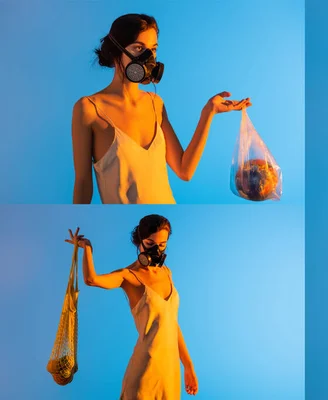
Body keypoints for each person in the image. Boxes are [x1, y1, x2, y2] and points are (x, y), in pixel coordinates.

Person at [71, 13, 251, 204]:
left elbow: (184, 171)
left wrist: (208, 112)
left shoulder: (155, 103)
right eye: (139, 48)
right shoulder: (89, 109)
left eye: (153, 49)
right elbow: (83, 183)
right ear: (117, 52)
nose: (148, 58)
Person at [66, 214, 198, 398]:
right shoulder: (128, 276)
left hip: (170, 372)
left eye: (162, 245)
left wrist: (188, 366)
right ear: (139, 242)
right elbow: (91, 280)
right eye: (150, 244)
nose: (157, 251)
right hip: (145, 368)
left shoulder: (167, 273)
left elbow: (172, 323)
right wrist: (87, 248)